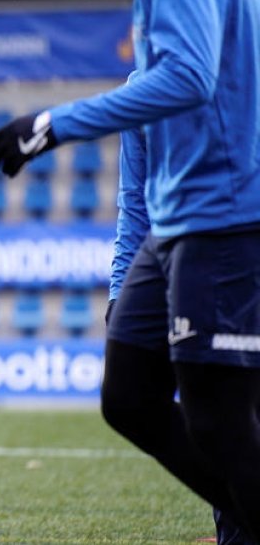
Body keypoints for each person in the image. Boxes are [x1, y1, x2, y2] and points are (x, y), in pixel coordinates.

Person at [0, 0, 260, 538]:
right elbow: (139, 181)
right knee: (130, 398)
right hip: (174, 229)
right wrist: (122, 285)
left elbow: (188, 78)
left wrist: (52, 124)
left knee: (218, 417)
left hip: (227, 216)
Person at [110, 126, 253, 545]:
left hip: (234, 247)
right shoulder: (139, 103)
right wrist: (120, 290)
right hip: (181, 255)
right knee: (139, 401)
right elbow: (135, 201)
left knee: (228, 411)